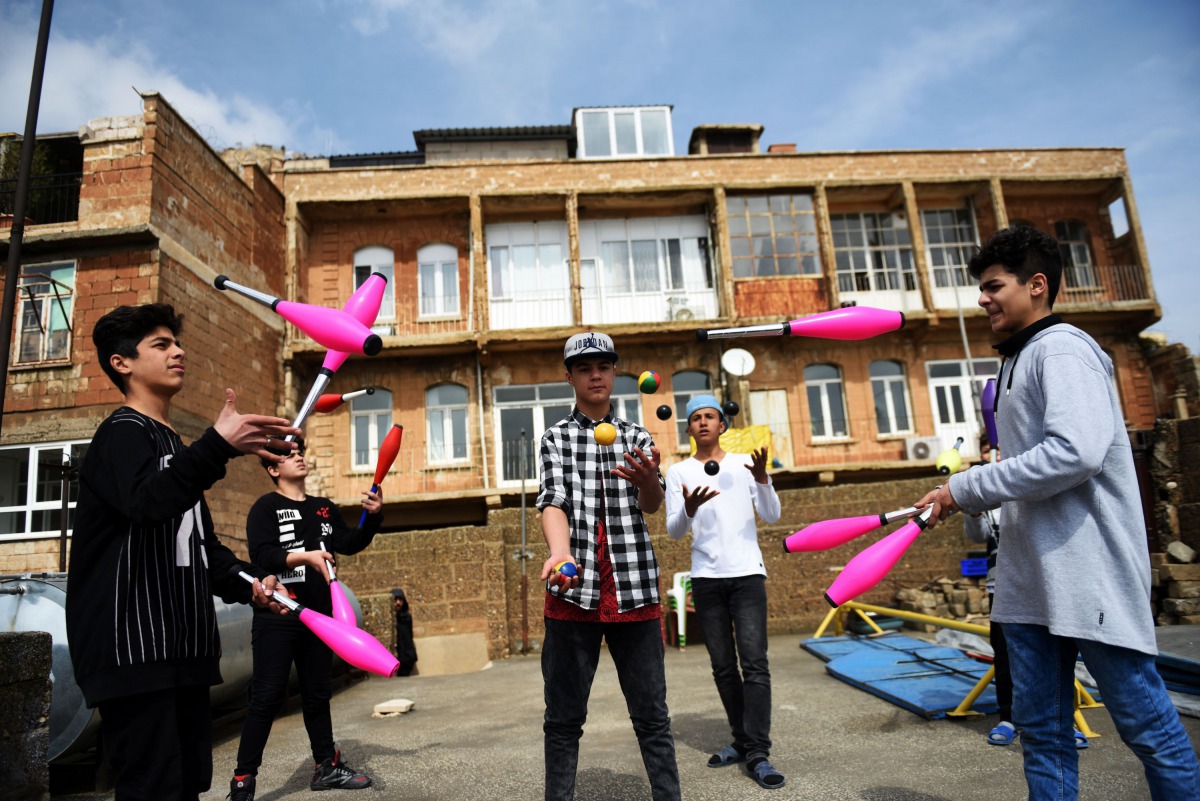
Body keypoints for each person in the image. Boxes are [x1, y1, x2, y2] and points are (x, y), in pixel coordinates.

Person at [916, 225, 1200, 801]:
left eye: (994, 286)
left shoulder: (1063, 349)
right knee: (1042, 736)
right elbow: (1029, 469)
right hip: (1028, 586)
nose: (982, 298)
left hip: (1089, 580)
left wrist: (970, 486)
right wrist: (970, 489)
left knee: (1148, 731)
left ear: (1037, 286)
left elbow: (1076, 453)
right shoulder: (1014, 361)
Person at [66, 303, 299, 801]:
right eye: (161, 344)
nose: (180, 351)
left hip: (183, 653)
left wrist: (251, 584)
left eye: (177, 342)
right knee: (154, 789)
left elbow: (198, 547)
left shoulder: (173, 443)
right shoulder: (122, 433)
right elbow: (147, 504)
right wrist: (217, 446)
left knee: (188, 784)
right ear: (120, 363)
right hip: (134, 652)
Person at [536, 331, 680, 801]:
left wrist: (649, 482)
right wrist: (560, 552)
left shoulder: (639, 436)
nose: (595, 374)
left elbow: (652, 504)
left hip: (633, 588)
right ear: (570, 376)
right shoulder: (554, 438)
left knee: (652, 717)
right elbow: (552, 500)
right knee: (562, 719)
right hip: (572, 593)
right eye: (584, 368)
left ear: (615, 371)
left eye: (603, 366)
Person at [228, 436, 383, 800]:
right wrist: (307, 556)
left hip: (319, 617)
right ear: (272, 468)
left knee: (317, 694)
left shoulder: (324, 508)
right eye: (287, 454)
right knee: (266, 697)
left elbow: (349, 542)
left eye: (299, 452)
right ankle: (242, 779)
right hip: (278, 616)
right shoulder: (264, 508)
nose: (297, 456)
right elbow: (262, 556)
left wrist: (374, 517)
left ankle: (326, 766)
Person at [664, 395, 785, 790]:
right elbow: (675, 530)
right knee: (722, 666)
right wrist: (690, 509)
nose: (702, 422)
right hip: (707, 578)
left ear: (722, 425)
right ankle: (742, 740)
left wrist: (764, 479)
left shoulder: (744, 465)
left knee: (755, 664)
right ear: (688, 428)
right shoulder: (678, 471)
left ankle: (759, 753)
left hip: (747, 575)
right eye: (695, 418)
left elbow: (771, 515)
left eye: (709, 416)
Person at [392, 587, 417, 676]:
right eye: (395, 600)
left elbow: (409, 636)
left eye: (400, 600)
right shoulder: (391, 618)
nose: (398, 603)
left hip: (406, 657)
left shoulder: (406, 617)